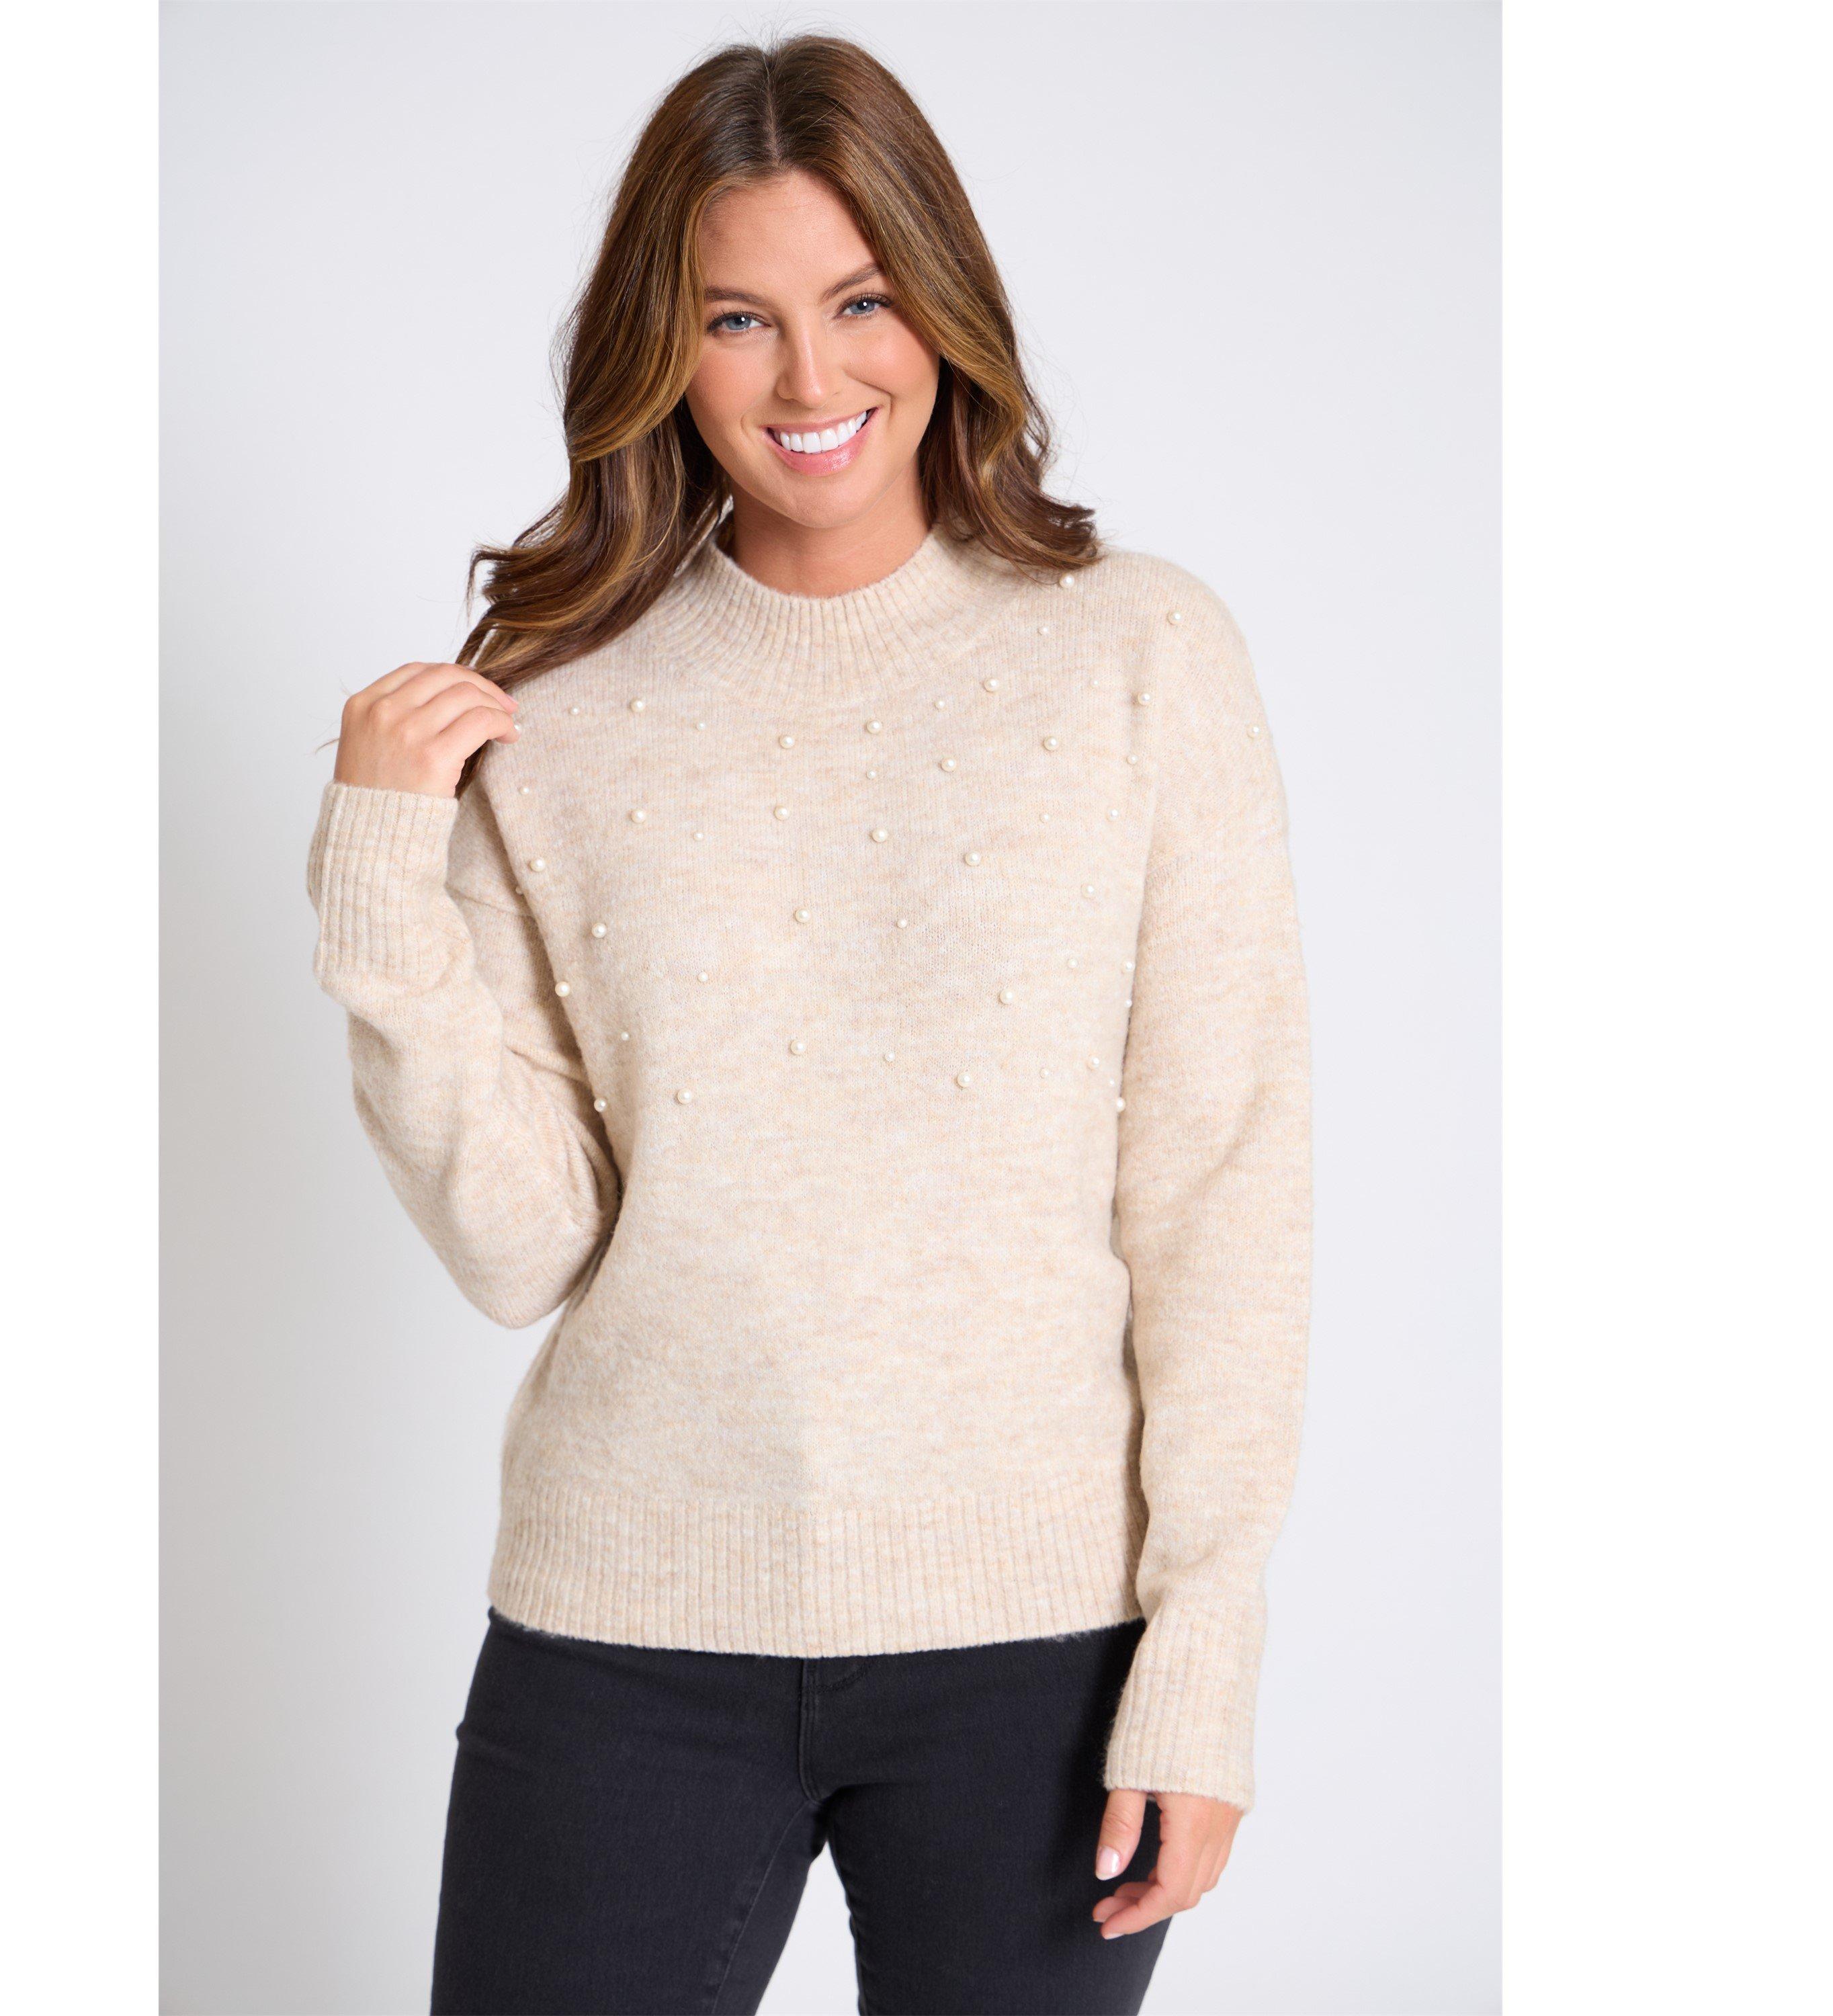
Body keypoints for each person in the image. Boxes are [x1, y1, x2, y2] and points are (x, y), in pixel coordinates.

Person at [305, 32, 1310, 2016]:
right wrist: (380, 894)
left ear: (945, 305)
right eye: (736, 319)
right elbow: (523, 1249)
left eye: (861, 303)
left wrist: (1204, 1657)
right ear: (660, 351)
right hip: (624, 1624)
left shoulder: (1142, 653)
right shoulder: (555, 693)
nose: (808, 379)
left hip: (1036, 1642)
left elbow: (1223, 1185)